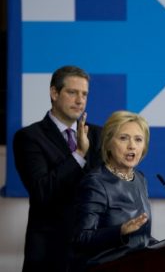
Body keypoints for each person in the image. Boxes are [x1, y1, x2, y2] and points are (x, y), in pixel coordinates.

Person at [13, 66, 102, 272]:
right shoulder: (29, 137)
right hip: (50, 254)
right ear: (54, 93)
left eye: (84, 94)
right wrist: (79, 154)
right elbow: (42, 192)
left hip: (91, 253)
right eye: (72, 92)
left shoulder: (98, 134)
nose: (80, 100)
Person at [72, 111, 158, 270]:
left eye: (138, 139)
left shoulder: (139, 179)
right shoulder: (96, 182)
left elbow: (141, 239)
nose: (132, 145)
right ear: (108, 143)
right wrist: (120, 231)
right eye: (123, 138)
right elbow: (81, 238)